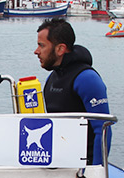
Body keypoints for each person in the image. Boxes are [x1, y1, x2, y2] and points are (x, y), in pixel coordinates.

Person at [34, 17, 111, 165]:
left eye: (41, 46)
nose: (36, 51)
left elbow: (103, 130)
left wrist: (96, 173)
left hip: (82, 168)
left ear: (60, 49)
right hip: (60, 163)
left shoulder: (87, 79)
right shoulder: (53, 77)